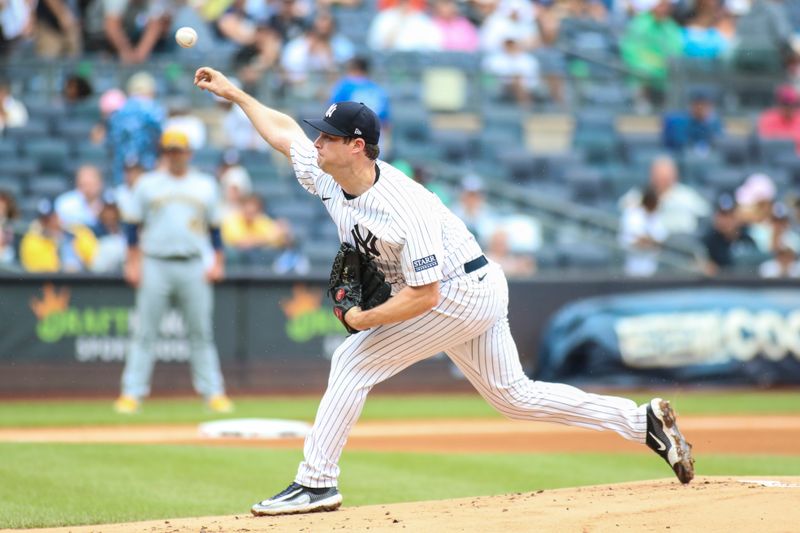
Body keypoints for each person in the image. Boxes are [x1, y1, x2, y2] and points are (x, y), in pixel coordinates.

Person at [194, 65, 695, 516]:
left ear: (357, 147)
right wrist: (237, 94)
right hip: (471, 285)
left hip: (458, 291)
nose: (317, 142)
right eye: (320, 135)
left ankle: (317, 483)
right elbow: (284, 135)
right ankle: (640, 422)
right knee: (513, 397)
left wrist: (361, 321)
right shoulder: (330, 176)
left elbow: (424, 297)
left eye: (328, 136)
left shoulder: (403, 206)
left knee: (352, 360)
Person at [114, 129, 233, 415]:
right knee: (145, 333)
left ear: (189, 154)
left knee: (201, 333)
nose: (175, 156)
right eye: (170, 151)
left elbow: (215, 230)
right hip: (155, 261)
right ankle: (132, 393)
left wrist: (218, 261)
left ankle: (213, 392)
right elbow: (132, 228)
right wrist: (132, 263)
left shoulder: (204, 185)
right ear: (163, 154)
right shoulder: (147, 184)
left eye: (179, 151)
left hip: (193, 263)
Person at [19, 198, 98, 272]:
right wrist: (55, 241)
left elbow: (94, 258)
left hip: (84, 277)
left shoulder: (78, 231)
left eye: (53, 217)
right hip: (54, 282)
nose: (51, 222)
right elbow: (41, 269)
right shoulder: (32, 239)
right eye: (46, 220)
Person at [618, 187, 668, 277]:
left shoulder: (657, 216)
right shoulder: (632, 215)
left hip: (652, 267)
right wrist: (648, 241)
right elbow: (632, 241)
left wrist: (648, 240)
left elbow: (661, 240)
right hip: (633, 268)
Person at [662, 89, 724, 153]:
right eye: (700, 105)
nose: (703, 109)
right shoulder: (679, 122)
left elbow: (718, 143)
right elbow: (681, 143)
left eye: (707, 105)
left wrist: (707, 124)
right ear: (693, 106)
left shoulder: (714, 123)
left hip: (707, 158)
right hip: (679, 155)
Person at [55, 164, 105, 229]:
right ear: (77, 184)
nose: (88, 189)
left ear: (100, 184)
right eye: (84, 185)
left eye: (92, 184)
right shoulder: (65, 203)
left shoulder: (108, 204)